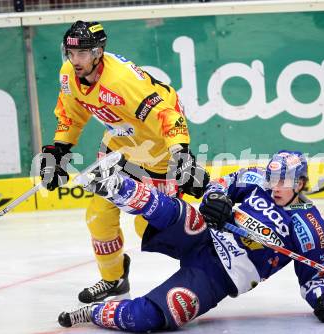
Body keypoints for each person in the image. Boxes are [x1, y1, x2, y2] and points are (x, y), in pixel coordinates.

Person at [57, 150, 324, 330]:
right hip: (205, 236)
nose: (275, 187)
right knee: (175, 213)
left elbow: (314, 276)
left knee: (151, 317)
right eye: (272, 180)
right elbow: (219, 186)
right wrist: (216, 199)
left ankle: (92, 313)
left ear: (301, 183)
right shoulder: (255, 180)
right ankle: (113, 183)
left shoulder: (309, 224)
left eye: (283, 182)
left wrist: (323, 299)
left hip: (217, 277)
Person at [39, 20, 209, 304]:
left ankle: (207, 256)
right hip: (119, 146)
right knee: (98, 216)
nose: (75, 60)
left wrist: (181, 154)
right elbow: (71, 113)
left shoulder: (121, 83)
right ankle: (114, 280)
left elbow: (168, 116)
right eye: (71, 53)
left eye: (82, 54)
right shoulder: (69, 73)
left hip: (156, 151)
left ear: (98, 53)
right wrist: (59, 149)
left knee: (151, 228)